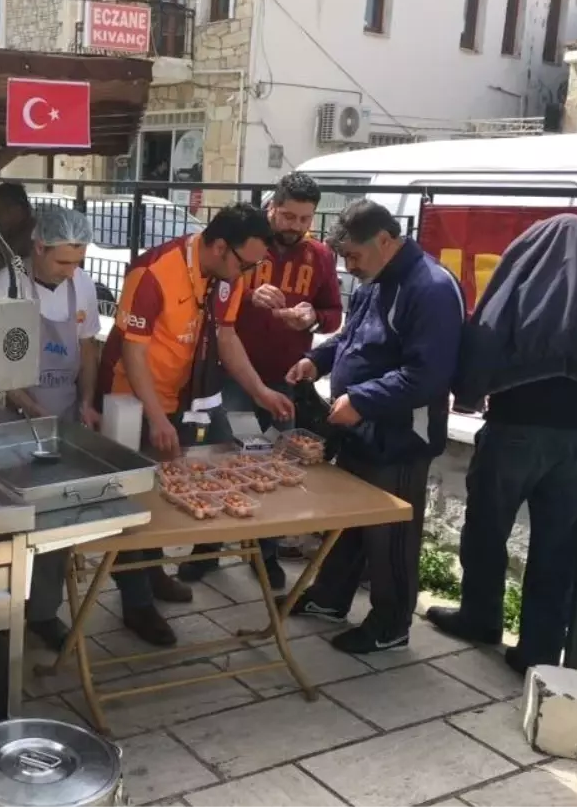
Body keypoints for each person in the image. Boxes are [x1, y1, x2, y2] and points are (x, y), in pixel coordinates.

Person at [428, 215, 577, 675]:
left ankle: (480, 617)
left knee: (486, 528)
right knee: (558, 546)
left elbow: (486, 335)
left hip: (516, 428)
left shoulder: (522, 280)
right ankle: (538, 650)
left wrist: (470, 391)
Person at [97, 204, 294, 646]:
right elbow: (133, 353)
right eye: (244, 263)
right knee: (132, 503)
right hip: (131, 400)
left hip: (183, 400)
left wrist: (261, 391)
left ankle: (152, 574)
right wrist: (155, 416)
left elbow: (226, 338)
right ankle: (136, 603)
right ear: (220, 247)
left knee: (165, 499)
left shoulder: (226, 277)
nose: (245, 273)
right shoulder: (152, 272)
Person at [285, 200, 465, 654]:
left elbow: (427, 375)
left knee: (391, 534)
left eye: (354, 256)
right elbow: (351, 337)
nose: (349, 266)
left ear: (385, 240)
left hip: (401, 436)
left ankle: (391, 623)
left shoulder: (431, 287)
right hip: (358, 427)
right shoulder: (374, 279)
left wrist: (362, 400)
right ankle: (329, 599)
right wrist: (316, 359)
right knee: (348, 523)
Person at [183, 173, 343, 590]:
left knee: (274, 464)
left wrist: (312, 317)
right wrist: (247, 299)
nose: (294, 226)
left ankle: (266, 554)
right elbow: (212, 303)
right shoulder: (247, 246)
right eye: (287, 215)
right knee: (227, 459)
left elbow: (334, 313)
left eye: (304, 219)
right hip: (233, 376)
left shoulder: (320, 257)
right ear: (272, 207)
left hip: (284, 378)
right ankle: (207, 549)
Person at [0, 209, 103, 651]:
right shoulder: (7, 287)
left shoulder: (83, 286)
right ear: (39, 248)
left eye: (77, 261)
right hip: (14, 420)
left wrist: (87, 402)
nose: (72, 270)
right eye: (63, 262)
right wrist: (32, 409)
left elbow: (87, 349)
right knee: (8, 521)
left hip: (62, 419)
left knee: (56, 521)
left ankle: (43, 612)